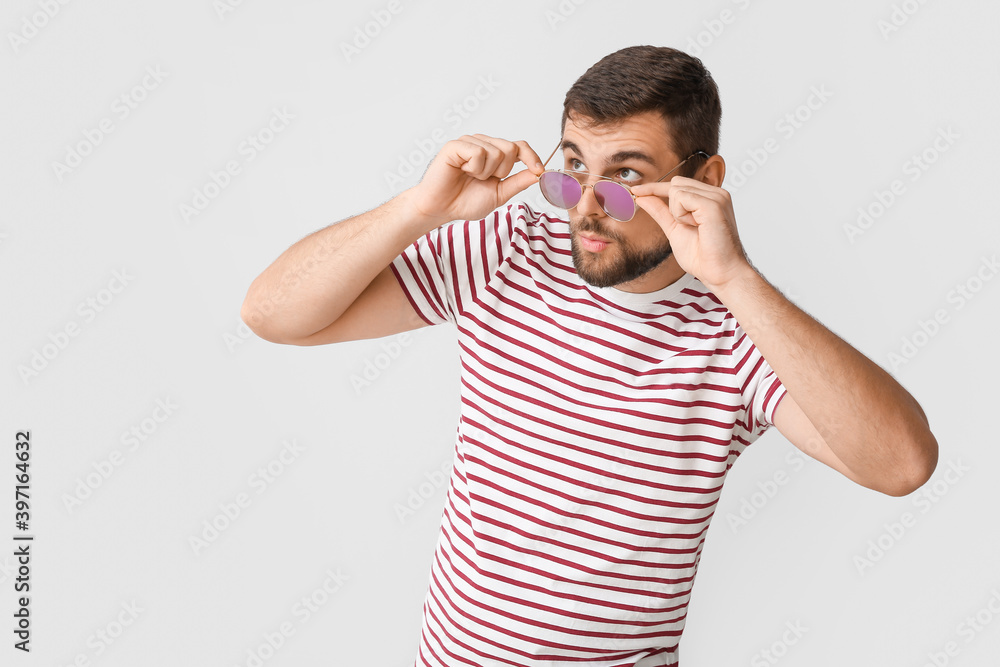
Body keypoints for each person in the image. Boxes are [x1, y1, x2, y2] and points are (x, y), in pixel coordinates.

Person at [241, 45, 938, 667]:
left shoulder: (736, 337)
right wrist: (417, 210)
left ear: (705, 177)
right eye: (574, 167)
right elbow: (272, 314)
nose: (585, 208)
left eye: (624, 175)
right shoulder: (507, 251)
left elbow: (901, 464)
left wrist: (736, 278)